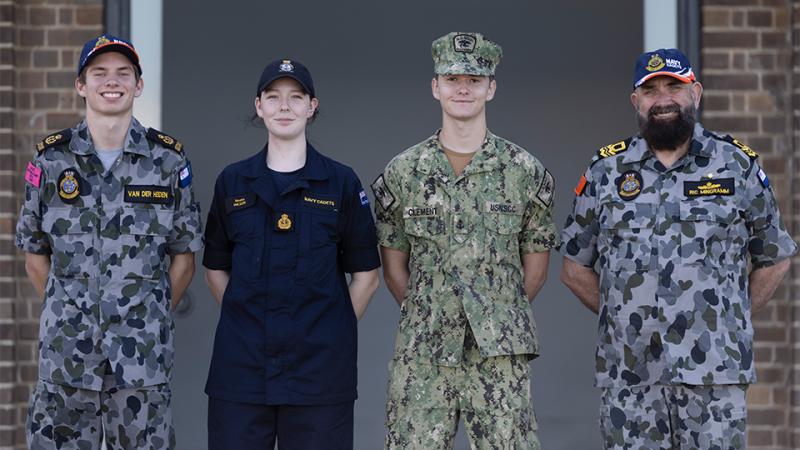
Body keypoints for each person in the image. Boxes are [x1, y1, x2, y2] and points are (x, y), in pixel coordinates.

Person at [560, 48, 797, 449]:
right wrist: (624, 314)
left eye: (674, 86)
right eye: (650, 90)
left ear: (695, 93)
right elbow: (574, 266)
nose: (663, 99)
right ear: (636, 101)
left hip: (714, 375)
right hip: (632, 377)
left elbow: (775, 257)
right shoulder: (606, 171)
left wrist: (727, 315)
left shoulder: (736, 165)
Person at [15, 35, 203, 449]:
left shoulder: (168, 162)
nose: (111, 81)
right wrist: (72, 311)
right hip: (66, 357)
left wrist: (148, 314)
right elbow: (34, 256)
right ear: (81, 85)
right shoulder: (51, 161)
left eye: (123, 73)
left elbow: (184, 259)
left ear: (139, 85)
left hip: (141, 359)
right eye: (99, 73)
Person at [373, 32, 558, 449]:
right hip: (424, 351)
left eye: (474, 80)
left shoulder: (524, 171)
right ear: (435, 87)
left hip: (499, 353)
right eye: (452, 78)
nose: (462, 88)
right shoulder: (404, 171)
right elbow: (393, 268)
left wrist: (492, 314)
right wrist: (433, 314)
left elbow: (536, 270)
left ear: (490, 88)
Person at [202, 58, 380, 450]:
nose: (284, 106)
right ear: (259, 105)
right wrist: (247, 321)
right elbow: (214, 268)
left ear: (312, 106)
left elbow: (367, 276)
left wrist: (331, 330)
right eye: (273, 97)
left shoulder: (340, 182)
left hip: (320, 374)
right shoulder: (233, 182)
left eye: (296, 97)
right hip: (242, 371)